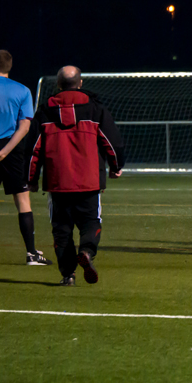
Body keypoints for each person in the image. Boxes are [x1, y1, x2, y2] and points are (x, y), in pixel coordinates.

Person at [27, 66, 125, 285]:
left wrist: (31, 179)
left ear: (58, 85)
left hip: (58, 182)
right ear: (80, 83)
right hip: (88, 181)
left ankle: (67, 274)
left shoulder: (44, 112)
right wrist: (116, 165)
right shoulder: (95, 109)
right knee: (90, 221)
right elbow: (113, 142)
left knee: (62, 230)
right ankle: (87, 252)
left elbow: (33, 149)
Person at [0, 50, 51, 266]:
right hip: (12, 150)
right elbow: (25, 125)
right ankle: (31, 254)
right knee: (22, 201)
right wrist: (6, 151)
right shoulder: (22, 90)